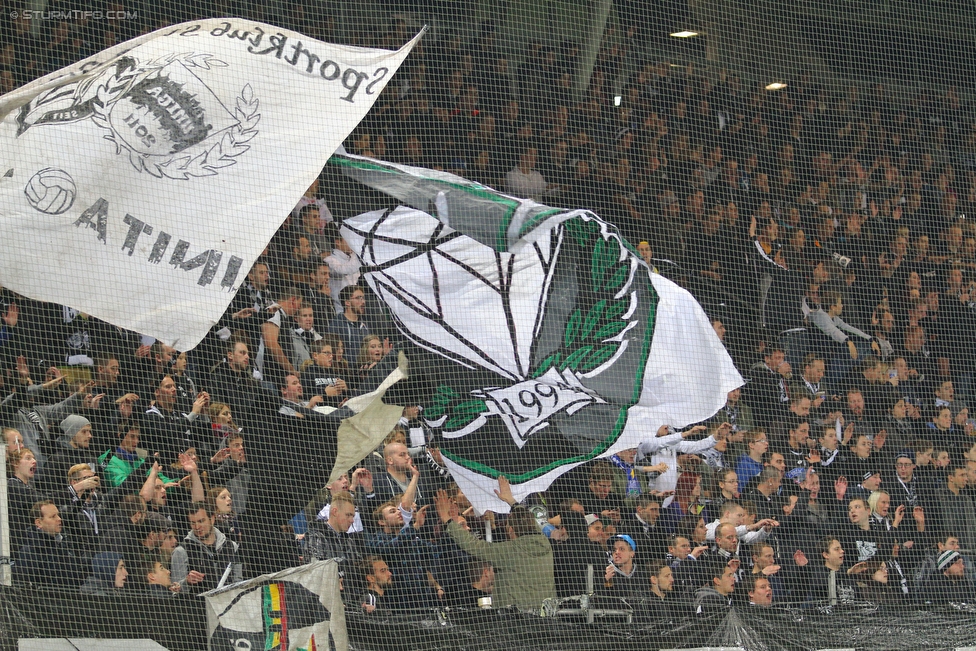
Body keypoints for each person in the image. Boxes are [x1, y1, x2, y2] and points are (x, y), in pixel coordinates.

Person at [434, 478, 555, 610]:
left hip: (519, 621)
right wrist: (511, 501)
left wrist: (447, 520)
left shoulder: (511, 551)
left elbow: (473, 545)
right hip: (547, 617)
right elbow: (531, 524)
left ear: (510, 530)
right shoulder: (545, 543)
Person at [170, 502, 243, 594]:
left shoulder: (232, 546)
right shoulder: (181, 552)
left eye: (201, 521)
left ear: (212, 519)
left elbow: (238, 583)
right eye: (193, 523)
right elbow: (175, 592)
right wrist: (186, 582)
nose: (197, 527)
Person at [14, 500, 87, 589]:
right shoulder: (30, 549)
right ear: (39, 523)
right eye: (53, 516)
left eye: (58, 515)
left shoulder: (66, 539)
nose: (59, 519)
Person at [600, 534, 643, 600]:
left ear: (632, 553)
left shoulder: (642, 574)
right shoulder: (607, 574)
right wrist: (605, 581)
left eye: (621, 549)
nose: (617, 552)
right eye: (614, 550)